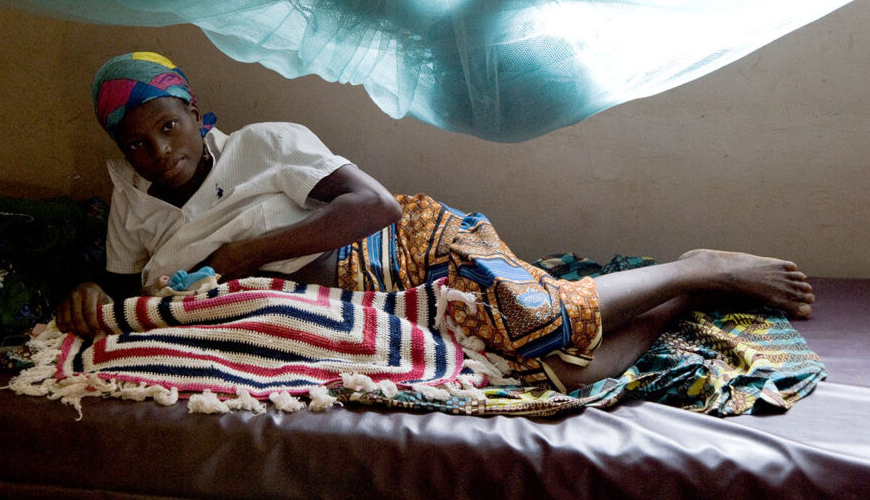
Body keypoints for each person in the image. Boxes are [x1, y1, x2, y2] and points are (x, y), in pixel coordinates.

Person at [57, 52, 815, 391]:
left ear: (193, 111)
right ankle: (681, 298)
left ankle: (697, 264)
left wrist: (245, 253)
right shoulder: (133, 200)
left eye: (166, 126)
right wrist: (91, 292)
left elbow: (375, 206)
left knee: (532, 314)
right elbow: (121, 290)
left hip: (407, 243)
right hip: (363, 306)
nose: (156, 151)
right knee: (564, 373)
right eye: (135, 143)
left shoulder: (265, 144)